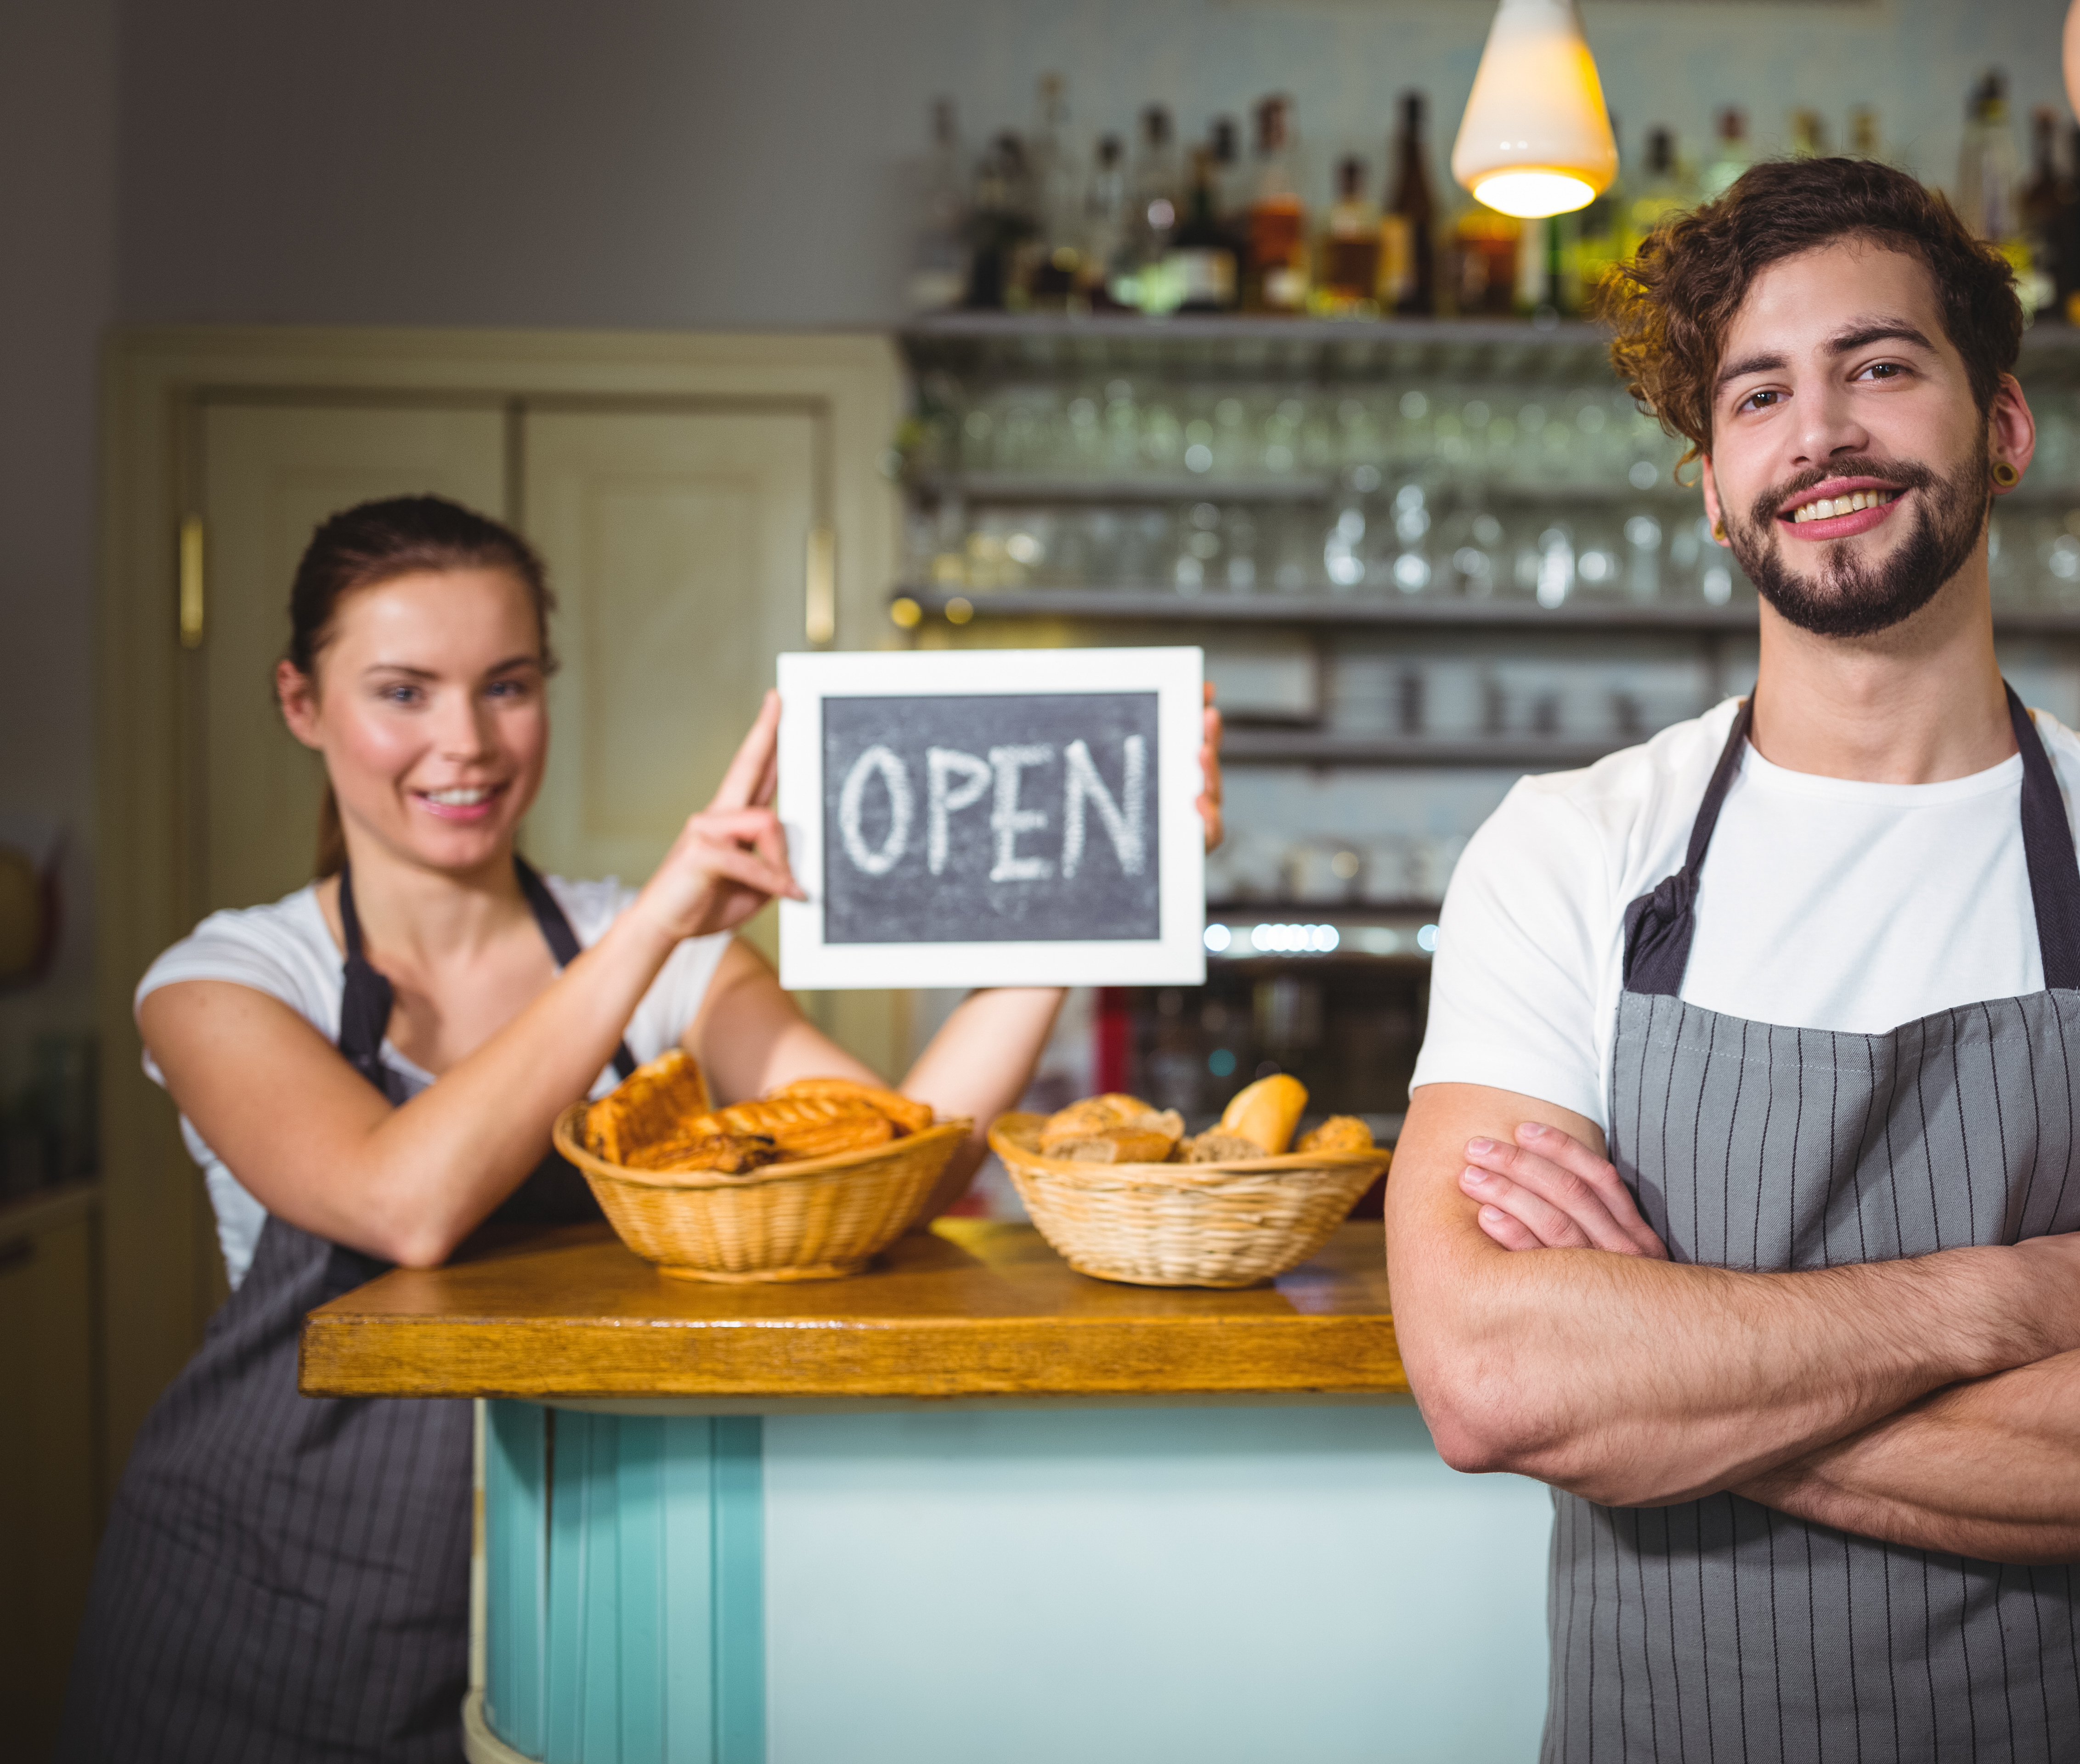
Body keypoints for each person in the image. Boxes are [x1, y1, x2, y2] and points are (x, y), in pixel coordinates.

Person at [1387, 156, 2080, 1760]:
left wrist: (1660, 1380)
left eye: (1882, 367)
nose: (1820, 432)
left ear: (2006, 427)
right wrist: (2000, 1301)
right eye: (1759, 394)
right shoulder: (1566, 853)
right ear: (1712, 483)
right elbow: (1495, 1379)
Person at [57, 494, 1224, 1763]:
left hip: (583, 1602)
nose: (466, 743)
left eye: (506, 686)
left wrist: (1096, 885)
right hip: (256, 1615)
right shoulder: (228, 979)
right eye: (403, 691)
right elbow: (405, 1204)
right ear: (301, 704)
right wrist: (657, 924)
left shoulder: (664, 954)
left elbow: (910, 1160)